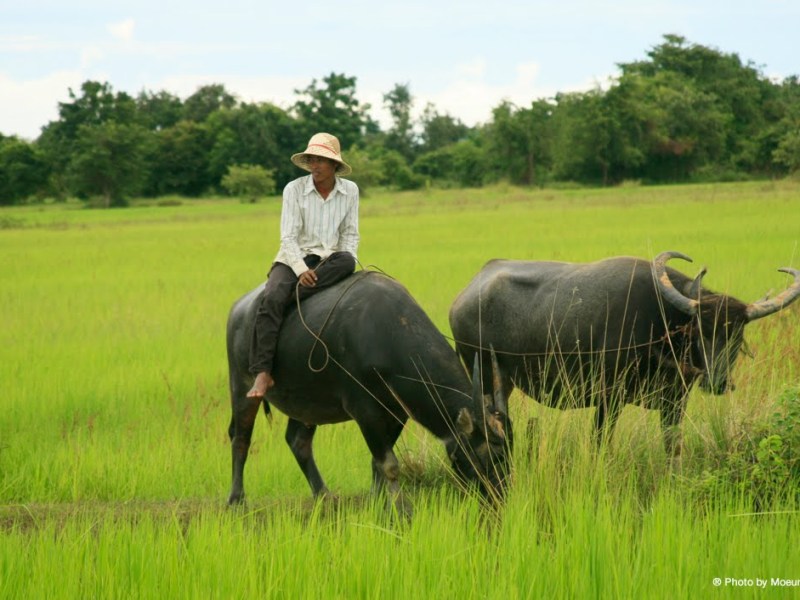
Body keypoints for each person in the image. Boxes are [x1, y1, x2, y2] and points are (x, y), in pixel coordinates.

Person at [247, 133, 360, 398]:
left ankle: (295, 296)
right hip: (293, 258)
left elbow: (350, 234)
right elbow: (288, 237)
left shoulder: (350, 191)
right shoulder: (294, 189)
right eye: (312, 159)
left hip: (330, 260)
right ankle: (262, 373)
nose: (315, 165)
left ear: (334, 165)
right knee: (272, 297)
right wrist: (301, 271)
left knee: (348, 261)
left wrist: (345, 258)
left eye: (321, 160)